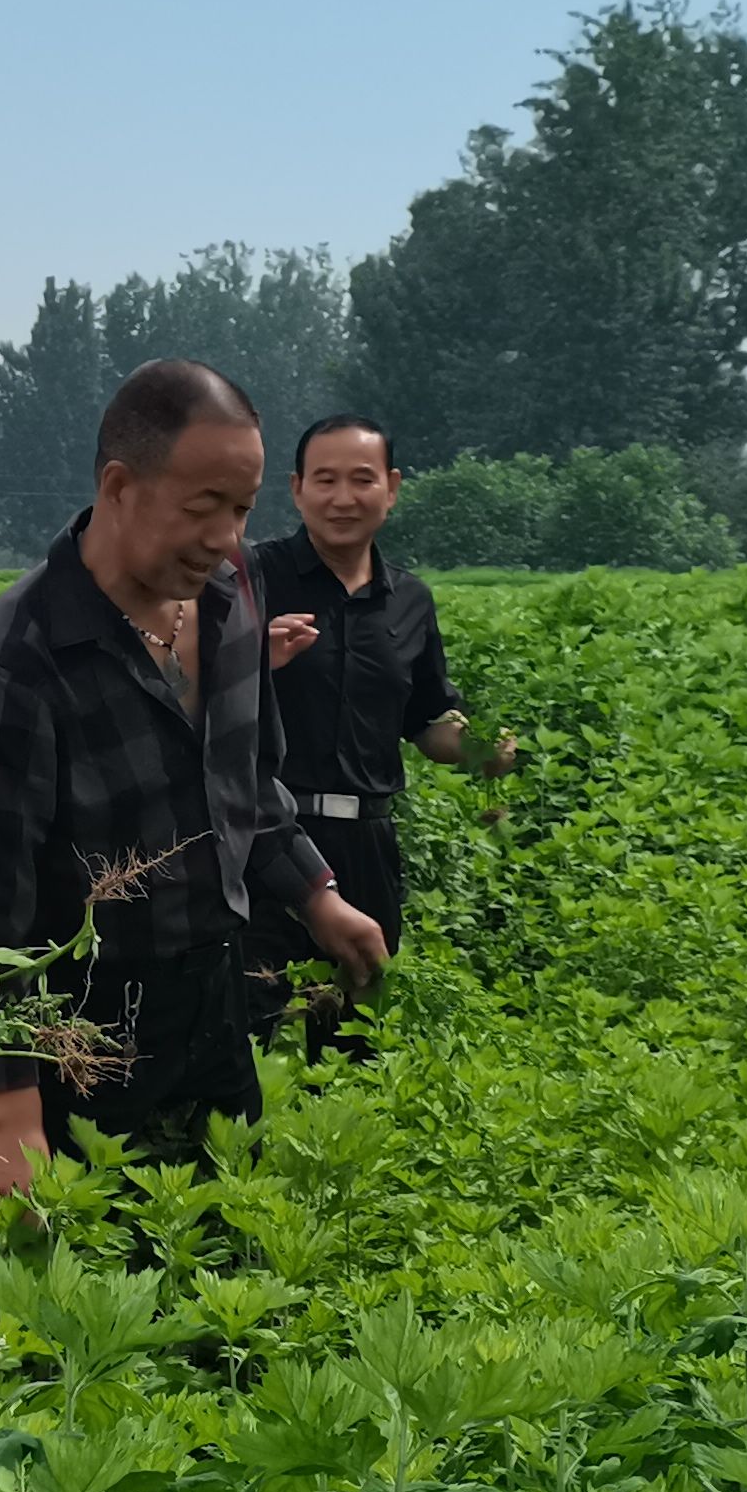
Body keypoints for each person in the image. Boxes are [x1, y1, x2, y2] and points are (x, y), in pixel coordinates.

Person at [0, 359, 391, 1197]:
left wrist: (317, 895)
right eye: (202, 506)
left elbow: (248, 785)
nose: (225, 536)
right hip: (78, 1033)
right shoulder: (19, 660)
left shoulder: (230, 600)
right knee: (92, 1261)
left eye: (242, 509)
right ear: (120, 487)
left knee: (227, 1242)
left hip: (217, 993)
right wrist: (9, 1108)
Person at [252, 412, 516, 1039]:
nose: (343, 498)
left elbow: (426, 719)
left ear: (391, 488)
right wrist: (250, 657)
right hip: (267, 838)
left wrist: (479, 749)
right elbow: (191, 685)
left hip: (368, 843)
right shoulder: (251, 579)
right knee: (263, 1023)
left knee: (356, 1030)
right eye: (325, 480)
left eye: (362, 480)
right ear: (297, 489)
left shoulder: (410, 601)